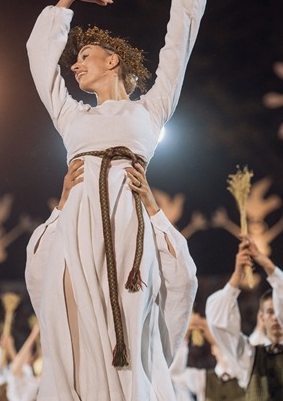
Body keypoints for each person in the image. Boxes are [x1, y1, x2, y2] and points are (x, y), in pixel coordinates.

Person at [25, 0, 230, 400]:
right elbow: (41, 65)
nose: (75, 67)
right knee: (78, 328)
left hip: (127, 223)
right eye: (74, 60)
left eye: (83, 57)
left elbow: (177, 51)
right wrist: (66, 1)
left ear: (112, 60)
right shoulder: (72, 116)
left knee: (129, 326)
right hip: (79, 224)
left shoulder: (150, 111)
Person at [26, 142, 199, 399]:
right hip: (83, 374)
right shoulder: (70, 255)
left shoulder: (140, 246)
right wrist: (63, 206)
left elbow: (181, 279)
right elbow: (39, 271)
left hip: (128, 374)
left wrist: (152, 209)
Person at [205, 237, 283, 400]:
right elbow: (219, 323)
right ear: (261, 316)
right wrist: (237, 275)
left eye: (280, 310)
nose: (277, 317)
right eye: (270, 311)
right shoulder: (249, 358)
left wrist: (265, 262)